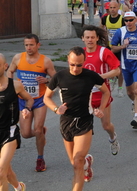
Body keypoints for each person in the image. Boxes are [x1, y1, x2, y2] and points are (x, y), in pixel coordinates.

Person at [44, 47, 110, 190]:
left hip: (84, 121)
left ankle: (83, 165)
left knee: (77, 162)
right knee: (75, 163)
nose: (75, 68)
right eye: (72, 64)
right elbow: (46, 98)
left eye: (79, 65)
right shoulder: (59, 77)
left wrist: (101, 109)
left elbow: (106, 92)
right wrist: (56, 109)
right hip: (66, 122)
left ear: (84, 61)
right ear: (68, 60)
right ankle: (87, 163)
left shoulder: (91, 76)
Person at [7, 34, 56, 172]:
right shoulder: (18, 58)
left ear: (38, 45)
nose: (29, 48)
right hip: (23, 100)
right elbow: (10, 71)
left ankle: (40, 159)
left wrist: (46, 81)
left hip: (40, 100)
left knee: (38, 129)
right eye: (26, 45)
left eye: (31, 45)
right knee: (26, 134)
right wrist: (13, 85)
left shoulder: (45, 61)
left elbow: (55, 78)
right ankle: (40, 134)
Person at [81, 25, 121, 155]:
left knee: (106, 126)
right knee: (83, 129)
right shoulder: (80, 54)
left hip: (103, 96)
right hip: (85, 98)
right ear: (83, 39)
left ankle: (112, 138)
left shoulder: (104, 52)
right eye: (87, 37)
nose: (90, 40)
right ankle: (84, 156)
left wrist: (100, 77)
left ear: (97, 38)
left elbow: (117, 70)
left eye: (93, 37)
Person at [111, 12, 137, 129]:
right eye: (126, 20)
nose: (128, 23)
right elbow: (113, 48)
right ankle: (134, 102)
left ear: (135, 20)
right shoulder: (121, 32)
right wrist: (122, 47)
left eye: (130, 20)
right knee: (130, 92)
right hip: (126, 66)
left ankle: (136, 117)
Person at [0, 53, 32, 191]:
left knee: (0, 172)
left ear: (5, 66)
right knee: (6, 172)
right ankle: (19, 187)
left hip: (10, 132)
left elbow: (29, 99)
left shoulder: (16, 85)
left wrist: (26, 109)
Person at [101, 1, 125, 97]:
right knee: (109, 68)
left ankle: (120, 88)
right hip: (109, 47)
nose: (112, 9)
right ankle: (110, 85)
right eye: (111, 8)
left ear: (118, 7)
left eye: (114, 7)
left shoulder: (122, 19)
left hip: (119, 47)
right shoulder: (105, 18)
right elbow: (102, 30)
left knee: (120, 69)